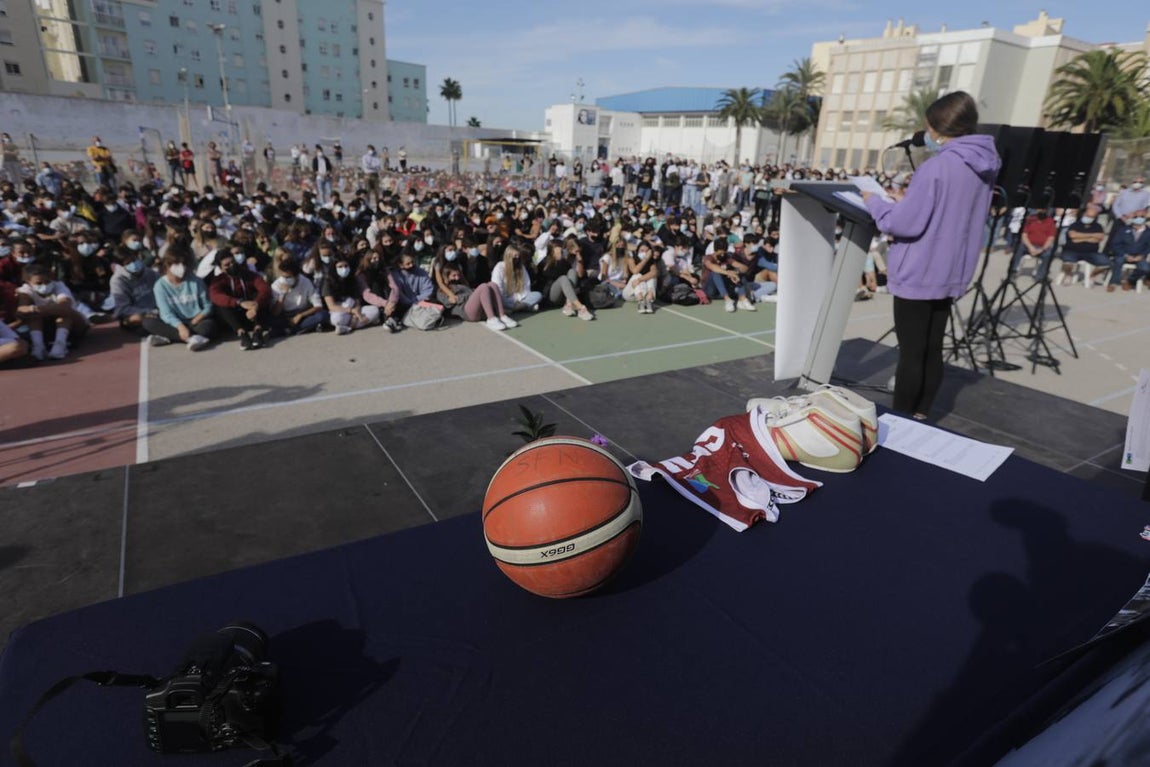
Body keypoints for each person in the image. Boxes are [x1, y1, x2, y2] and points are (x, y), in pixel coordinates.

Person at [863, 90, 1000, 420]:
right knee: (933, 348)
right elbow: (947, 210)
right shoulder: (984, 164)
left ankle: (902, 421)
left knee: (911, 353)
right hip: (951, 270)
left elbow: (904, 223)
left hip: (919, 270)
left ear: (936, 129)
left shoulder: (937, 167)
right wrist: (907, 197)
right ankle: (924, 414)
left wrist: (874, 200)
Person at [16, 262, 89, 360]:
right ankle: (38, 347)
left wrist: (36, 309)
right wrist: (34, 310)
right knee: (33, 315)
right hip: (46, 327)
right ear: (28, 282)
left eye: (47, 281)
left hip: (74, 325)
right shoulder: (25, 290)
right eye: (39, 283)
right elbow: (21, 310)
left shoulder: (60, 286)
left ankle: (60, 345)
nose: (44, 285)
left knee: (63, 314)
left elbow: (65, 307)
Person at [147, 248, 215, 350]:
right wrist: (180, 326)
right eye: (177, 264)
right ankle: (193, 339)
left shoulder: (196, 281)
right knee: (149, 322)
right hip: (174, 322)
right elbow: (166, 313)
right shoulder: (160, 286)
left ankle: (170, 337)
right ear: (167, 265)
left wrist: (199, 317)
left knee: (210, 325)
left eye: (183, 264)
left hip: (196, 321)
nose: (181, 267)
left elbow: (208, 305)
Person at [208, 246, 272, 349]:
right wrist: (239, 302)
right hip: (235, 317)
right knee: (221, 305)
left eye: (232, 262)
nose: (231, 266)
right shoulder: (219, 280)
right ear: (221, 268)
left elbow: (265, 289)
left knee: (261, 297)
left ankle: (258, 331)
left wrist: (256, 304)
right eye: (227, 265)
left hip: (253, 313)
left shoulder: (250, 275)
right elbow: (215, 295)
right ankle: (242, 334)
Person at [1057, 203, 1109, 286]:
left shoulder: (1098, 226)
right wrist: (1091, 237)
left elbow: (1100, 237)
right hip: (1072, 250)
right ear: (1084, 214)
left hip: (1091, 252)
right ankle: (1068, 274)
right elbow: (1072, 236)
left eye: (1091, 217)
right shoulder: (1075, 225)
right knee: (1067, 262)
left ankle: (1092, 276)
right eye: (1088, 216)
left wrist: (1080, 237)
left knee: (1106, 263)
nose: (1089, 218)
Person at [490, 244, 542, 313]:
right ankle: (524, 307)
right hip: (503, 299)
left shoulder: (521, 267)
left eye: (518, 256)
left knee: (538, 295)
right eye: (515, 256)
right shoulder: (499, 267)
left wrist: (517, 300)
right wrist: (511, 301)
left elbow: (526, 287)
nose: (517, 258)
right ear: (508, 256)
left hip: (519, 299)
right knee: (496, 298)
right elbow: (498, 290)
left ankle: (515, 309)